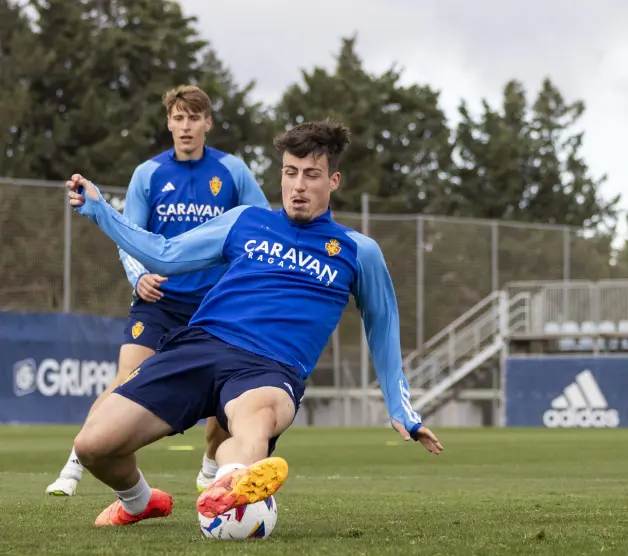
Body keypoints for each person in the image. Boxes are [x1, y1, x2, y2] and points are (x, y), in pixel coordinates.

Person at [64, 117, 443, 527]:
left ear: (333, 180)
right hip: (201, 344)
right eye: (290, 172)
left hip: (270, 368)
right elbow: (164, 255)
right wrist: (100, 210)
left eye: (311, 175)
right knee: (93, 445)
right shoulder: (245, 221)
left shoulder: (358, 251)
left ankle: (232, 488)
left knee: (251, 425)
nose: (298, 185)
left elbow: (382, 327)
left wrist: (400, 407)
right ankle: (140, 502)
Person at [46, 85, 271, 497]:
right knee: (126, 378)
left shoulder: (233, 171)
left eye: (194, 118)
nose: (186, 126)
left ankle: (209, 467)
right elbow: (128, 234)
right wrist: (138, 277)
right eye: (179, 118)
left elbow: (263, 225)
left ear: (207, 123)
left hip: (215, 306)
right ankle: (76, 461)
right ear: (169, 122)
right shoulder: (147, 174)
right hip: (159, 301)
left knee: (228, 392)